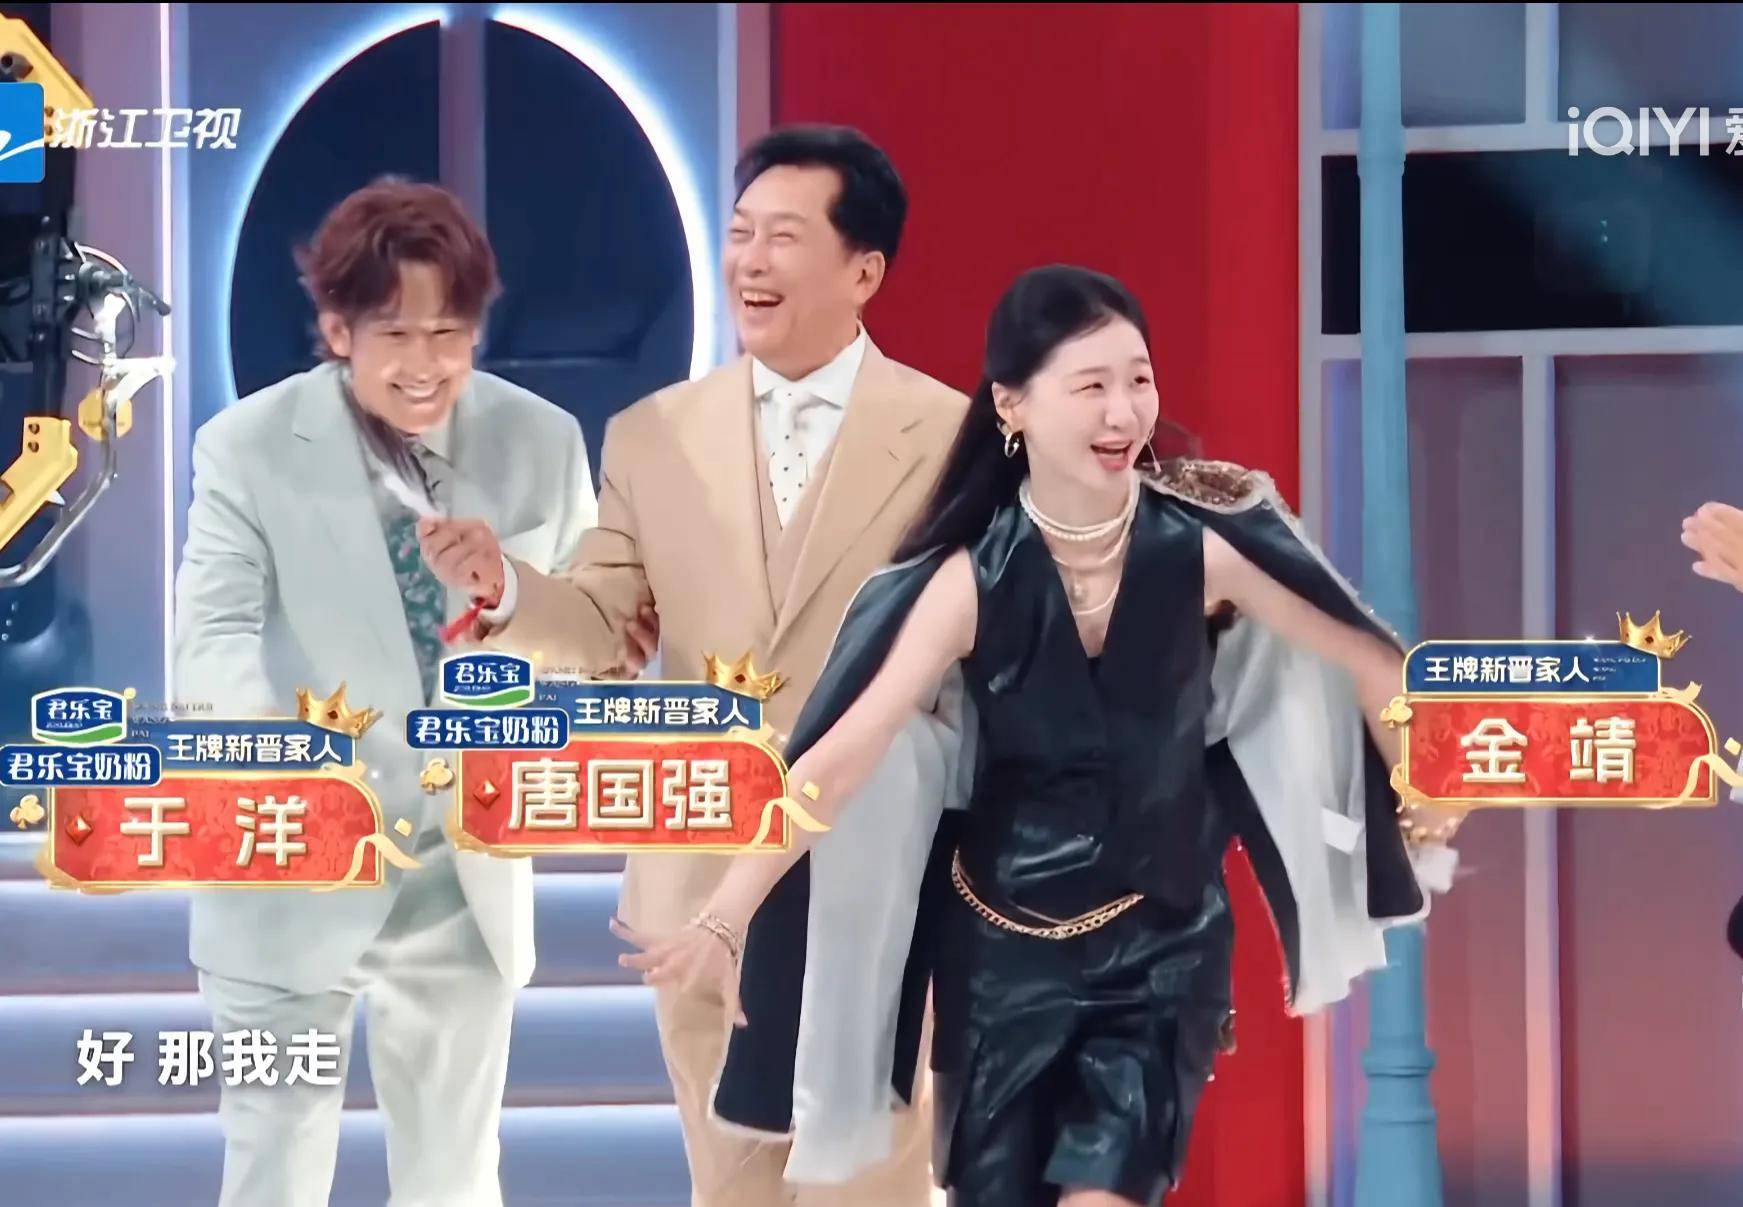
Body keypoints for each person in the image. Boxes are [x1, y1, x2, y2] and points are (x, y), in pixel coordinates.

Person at [616, 265, 1461, 1207]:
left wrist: (1423, 791)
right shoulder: (966, 582)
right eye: (1090, 384)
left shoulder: (1202, 549)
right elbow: (840, 759)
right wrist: (725, 913)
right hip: (999, 963)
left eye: (1137, 379)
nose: (1123, 411)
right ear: (1011, 405)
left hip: (1160, 949)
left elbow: (1364, 656)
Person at [425, 125, 967, 1205]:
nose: (750, 262)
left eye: (785, 237)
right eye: (740, 233)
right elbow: (603, 626)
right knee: (731, 1190)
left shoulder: (952, 437)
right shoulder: (651, 435)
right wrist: (506, 589)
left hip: (883, 878)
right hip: (701, 871)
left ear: (864, 271)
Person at [174, 178, 598, 1206]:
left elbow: (606, 640)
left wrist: (510, 591)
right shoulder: (246, 447)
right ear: (336, 331)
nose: (425, 363)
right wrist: (281, 766)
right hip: (287, 859)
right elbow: (212, 636)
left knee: (454, 1182)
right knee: (273, 1174)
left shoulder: (541, 444)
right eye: (395, 333)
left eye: (448, 333)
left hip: (460, 879)